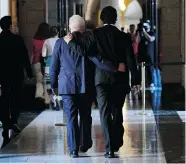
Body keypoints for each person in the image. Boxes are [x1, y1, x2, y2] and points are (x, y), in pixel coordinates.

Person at [68, 6, 140, 158]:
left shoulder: (94, 34)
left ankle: (108, 148)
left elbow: (85, 52)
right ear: (115, 19)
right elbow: (130, 60)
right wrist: (135, 80)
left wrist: (71, 43)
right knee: (117, 111)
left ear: (101, 19)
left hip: (100, 81)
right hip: (119, 80)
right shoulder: (124, 36)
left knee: (104, 113)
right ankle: (116, 141)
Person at [50, 15, 124, 158]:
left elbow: (54, 66)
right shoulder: (89, 40)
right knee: (85, 116)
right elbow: (97, 60)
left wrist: (54, 84)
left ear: (69, 27)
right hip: (86, 85)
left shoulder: (60, 42)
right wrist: (115, 67)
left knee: (71, 117)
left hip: (67, 87)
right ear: (83, 28)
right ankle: (84, 143)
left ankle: (73, 149)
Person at [0, 16, 33, 140]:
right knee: (15, 98)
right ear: (10, 26)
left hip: (2, 75)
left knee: (3, 98)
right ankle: (13, 120)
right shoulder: (17, 39)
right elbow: (24, 57)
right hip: (15, 74)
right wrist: (29, 73)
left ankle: (5, 121)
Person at [32, 22, 50, 109]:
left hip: (36, 62)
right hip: (46, 62)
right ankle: (47, 100)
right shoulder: (48, 41)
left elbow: (33, 53)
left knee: (39, 81)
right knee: (46, 81)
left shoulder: (34, 40)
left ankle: (39, 95)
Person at [42, 26, 60, 110]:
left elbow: (43, 54)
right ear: (58, 33)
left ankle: (53, 101)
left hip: (49, 62)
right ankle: (58, 100)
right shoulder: (61, 41)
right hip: (59, 63)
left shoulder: (47, 41)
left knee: (49, 84)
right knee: (59, 83)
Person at [136, 20, 155, 89]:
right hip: (141, 55)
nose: (145, 27)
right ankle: (140, 84)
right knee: (140, 70)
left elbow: (150, 39)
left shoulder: (152, 33)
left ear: (149, 26)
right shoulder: (141, 33)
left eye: (146, 26)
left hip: (149, 55)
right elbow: (137, 41)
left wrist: (144, 32)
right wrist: (139, 31)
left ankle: (151, 83)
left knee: (150, 69)